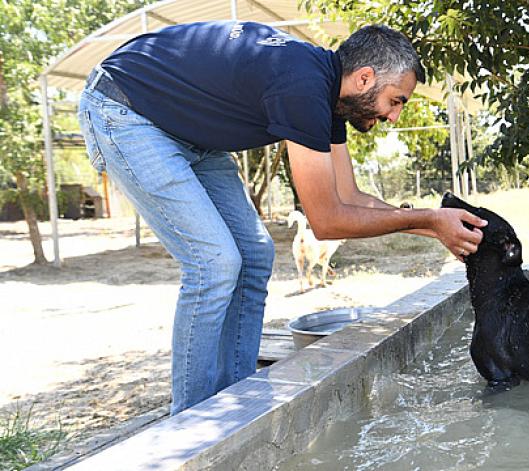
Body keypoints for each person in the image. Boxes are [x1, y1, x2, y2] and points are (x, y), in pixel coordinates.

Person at [77, 21, 486, 415]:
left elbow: (351, 196)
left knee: (254, 254)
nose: (394, 116)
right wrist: (431, 219)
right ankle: (193, 422)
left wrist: (430, 223)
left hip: (190, 133)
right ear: (364, 79)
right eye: (396, 100)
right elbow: (328, 220)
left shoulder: (327, 97)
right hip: (127, 110)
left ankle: (235, 400)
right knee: (214, 262)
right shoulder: (302, 87)